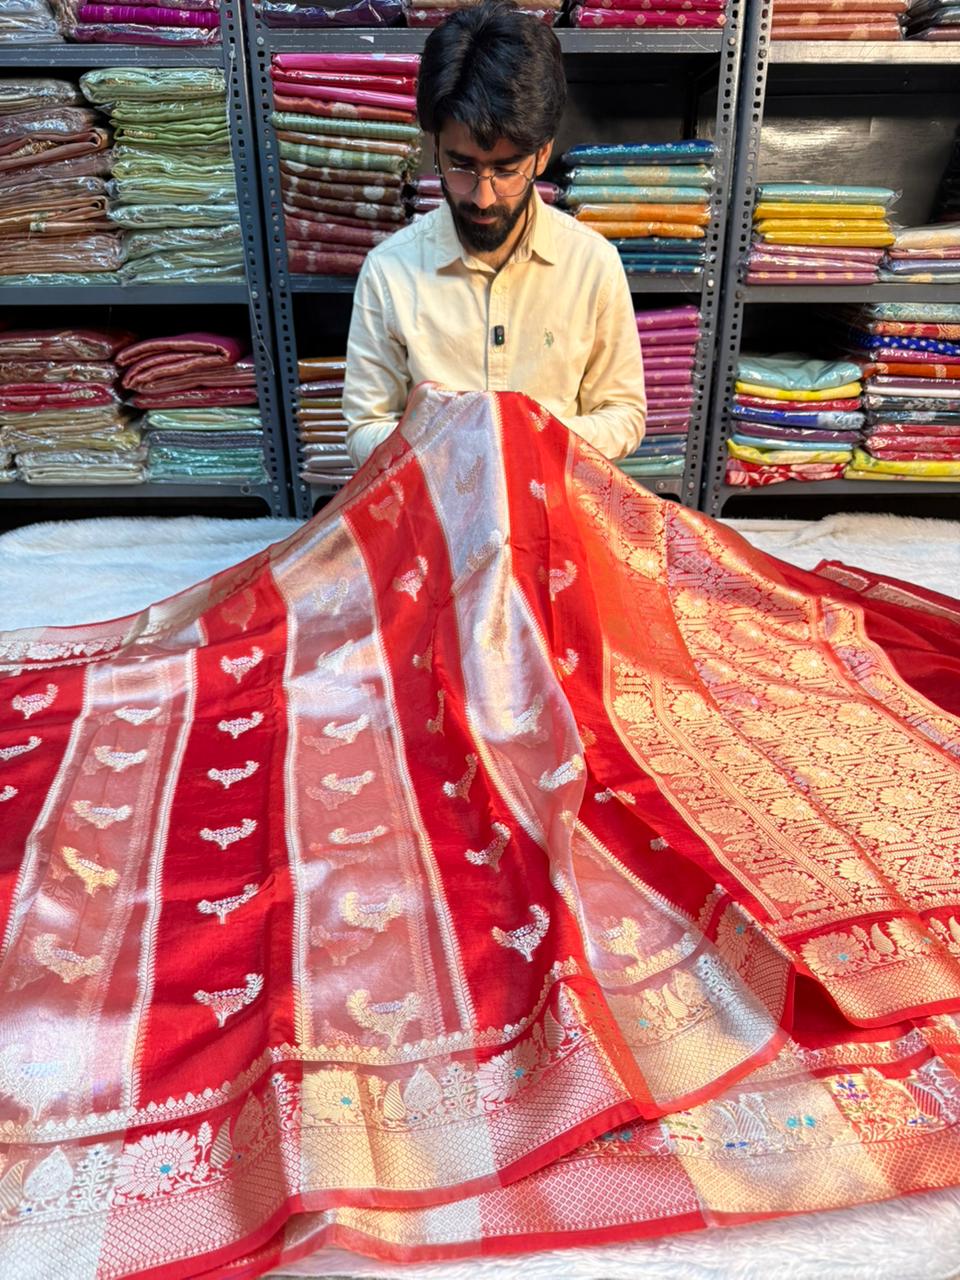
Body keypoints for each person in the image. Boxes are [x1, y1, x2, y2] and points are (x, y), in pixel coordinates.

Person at [343, 0, 646, 468]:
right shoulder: (389, 273)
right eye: (461, 166)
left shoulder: (593, 265)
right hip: (436, 511)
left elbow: (624, 414)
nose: (483, 198)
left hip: (553, 503)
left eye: (507, 170)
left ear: (542, 155)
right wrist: (452, 448)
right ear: (435, 148)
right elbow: (365, 426)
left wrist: (527, 439)